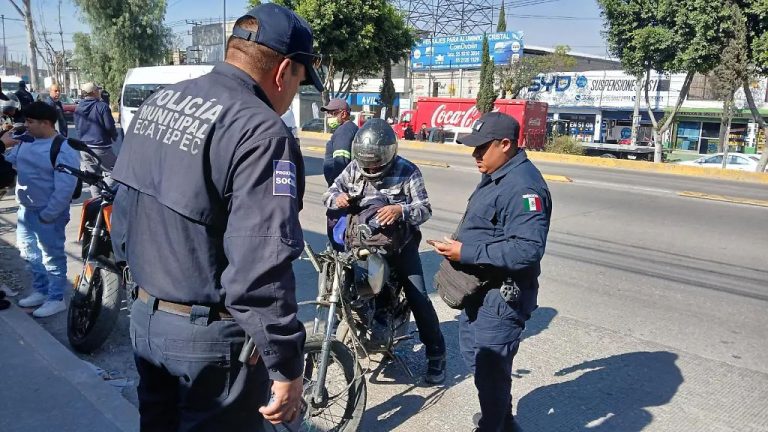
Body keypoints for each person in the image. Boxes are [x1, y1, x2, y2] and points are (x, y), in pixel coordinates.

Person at [109, 4, 323, 430]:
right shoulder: (261, 131)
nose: (293, 95)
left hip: (147, 321)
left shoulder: (161, 102)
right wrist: (286, 365)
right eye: (300, 82)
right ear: (283, 71)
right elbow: (260, 266)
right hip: (208, 343)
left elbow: (124, 217)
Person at [432, 112, 552, 432]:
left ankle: (493, 424)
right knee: (480, 362)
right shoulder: (499, 172)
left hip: (501, 296)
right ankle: (500, 418)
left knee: (490, 369)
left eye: (481, 148)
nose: (475, 155)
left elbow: (527, 249)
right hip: (479, 290)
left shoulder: (524, 187)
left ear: (505, 144)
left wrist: (466, 251)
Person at [322, 118, 447, 384]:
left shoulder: (407, 171)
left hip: (400, 247)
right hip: (362, 245)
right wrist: (338, 198)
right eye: (366, 163)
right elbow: (329, 194)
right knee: (348, 289)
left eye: (375, 164)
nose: (370, 168)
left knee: (419, 297)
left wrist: (400, 210)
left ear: (388, 154)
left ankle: (436, 354)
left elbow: (424, 209)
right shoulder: (354, 169)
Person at [0, 102, 79, 318]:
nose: (26, 125)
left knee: (51, 256)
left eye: (30, 122)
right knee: (29, 253)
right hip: (26, 210)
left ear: (46, 123)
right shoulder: (26, 141)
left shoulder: (63, 147)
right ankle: (41, 290)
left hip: (48, 212)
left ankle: (56, 298)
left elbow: (65, 188)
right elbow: (11, 161)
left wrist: (49, 214)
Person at [321, 98, 358, 249]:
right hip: (346, 192)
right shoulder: (349, 129)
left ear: (343, 114)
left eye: (332, 113)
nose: (329, 117)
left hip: (341, 195)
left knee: (337, 235)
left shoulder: (344, 132)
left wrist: (337, 191)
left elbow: (341, 163)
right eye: (328, 113)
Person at [74, 82, 118, 197]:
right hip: (100, 147)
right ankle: (105, 192)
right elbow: (109, 126)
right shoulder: (101, 106)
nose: (99, 92)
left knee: (93, 177)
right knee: (116, 172)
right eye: (97, 90)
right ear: (93, 92)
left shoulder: (78, 108)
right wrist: (114, 136)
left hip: (84, 148)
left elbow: (77, 127)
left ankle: (96, 201)